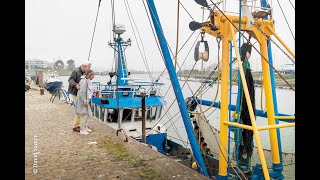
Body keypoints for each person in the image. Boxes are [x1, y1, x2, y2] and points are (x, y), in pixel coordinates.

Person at [68, 62, 91, 132]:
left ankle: (80, 125)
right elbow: (70, 80)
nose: (88, 69)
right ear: (84, 66)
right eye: (88, 68)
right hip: (75, 93)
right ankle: (75, 126)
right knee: (79, 109)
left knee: (80, 109)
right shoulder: (76, 71)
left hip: (79, 93)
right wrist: (76, 85)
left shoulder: (83, 72)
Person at [75, 70, 95, 135]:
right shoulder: (84, 81)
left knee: (89, 114)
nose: (94, 77)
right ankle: (82, 130)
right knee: (84, 115)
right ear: (90, 75)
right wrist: (85, 101)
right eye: (93, 75)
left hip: (86, 100)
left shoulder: (86, 81)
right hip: (83, 101)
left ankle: (85, 127)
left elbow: (88, 90)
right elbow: (82, 92)